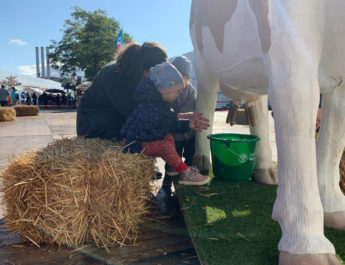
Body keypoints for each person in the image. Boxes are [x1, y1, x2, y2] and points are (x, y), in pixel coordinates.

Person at [121, 62, 210, 185]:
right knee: (165, 146)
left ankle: (174, 165)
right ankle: (185, 173)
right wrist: (188, 125)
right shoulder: (155, 109)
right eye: (177, 90)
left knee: (168, 138)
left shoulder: (153, 102)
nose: (179, 94)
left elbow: (167, 117)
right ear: (164, 90)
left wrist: (184, 116)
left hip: (137, 139)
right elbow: (169, 124)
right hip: (134, 145)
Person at [77, 42, 168, 140]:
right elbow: (138, 112)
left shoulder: (132, 72)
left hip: (111, 119)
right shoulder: (114, 76)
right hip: (94, 127)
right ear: (146, 70)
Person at [164, 55, 197, 181]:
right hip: (174, 134)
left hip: (189, 132)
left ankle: (188, 176)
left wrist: (180, 113)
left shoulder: (190, 90)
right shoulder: (166, 89)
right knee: (172, 159)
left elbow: (188, 109)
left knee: (190, 155)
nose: (184, 80)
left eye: (187, 77)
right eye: (180, 76)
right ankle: (167, 183)